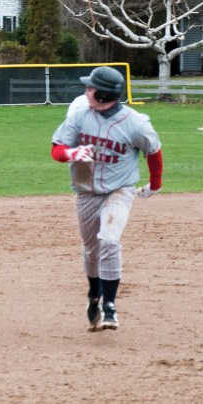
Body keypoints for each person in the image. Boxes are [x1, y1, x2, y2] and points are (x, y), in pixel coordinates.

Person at [51, 66, 163, 332]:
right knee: (91, 248)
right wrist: (71, 154)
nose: (86, 91)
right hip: (86, 192)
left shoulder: (135, 123)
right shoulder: (79, 116)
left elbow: (154, 152)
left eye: (91, 87)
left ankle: (110, 305)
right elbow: (56, 149)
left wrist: (154, 185)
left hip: (119, 190)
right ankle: (94, 295)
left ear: (102, 93)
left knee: (109, 240)